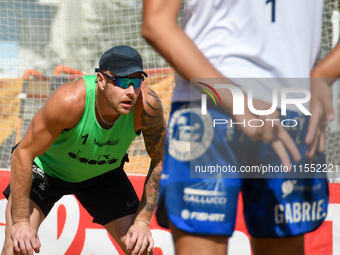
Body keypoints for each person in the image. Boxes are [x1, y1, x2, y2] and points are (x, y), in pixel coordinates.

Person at [142, 0, 339, 255]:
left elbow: (156, 22)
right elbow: (156, 24)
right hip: (219, 106)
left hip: (216, 104)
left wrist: (322, 76)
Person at [1, 45, 166, 255]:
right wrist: (22, 222)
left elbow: (160, 158)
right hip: (47, 171)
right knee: (17, 246)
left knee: (141, 249)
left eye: (136, 82)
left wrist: (142, 222)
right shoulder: (69, 101)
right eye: (123, 82)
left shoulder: (147, 105)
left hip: (103, 176)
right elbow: (22, 153)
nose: (131, 92)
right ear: (101, 81)